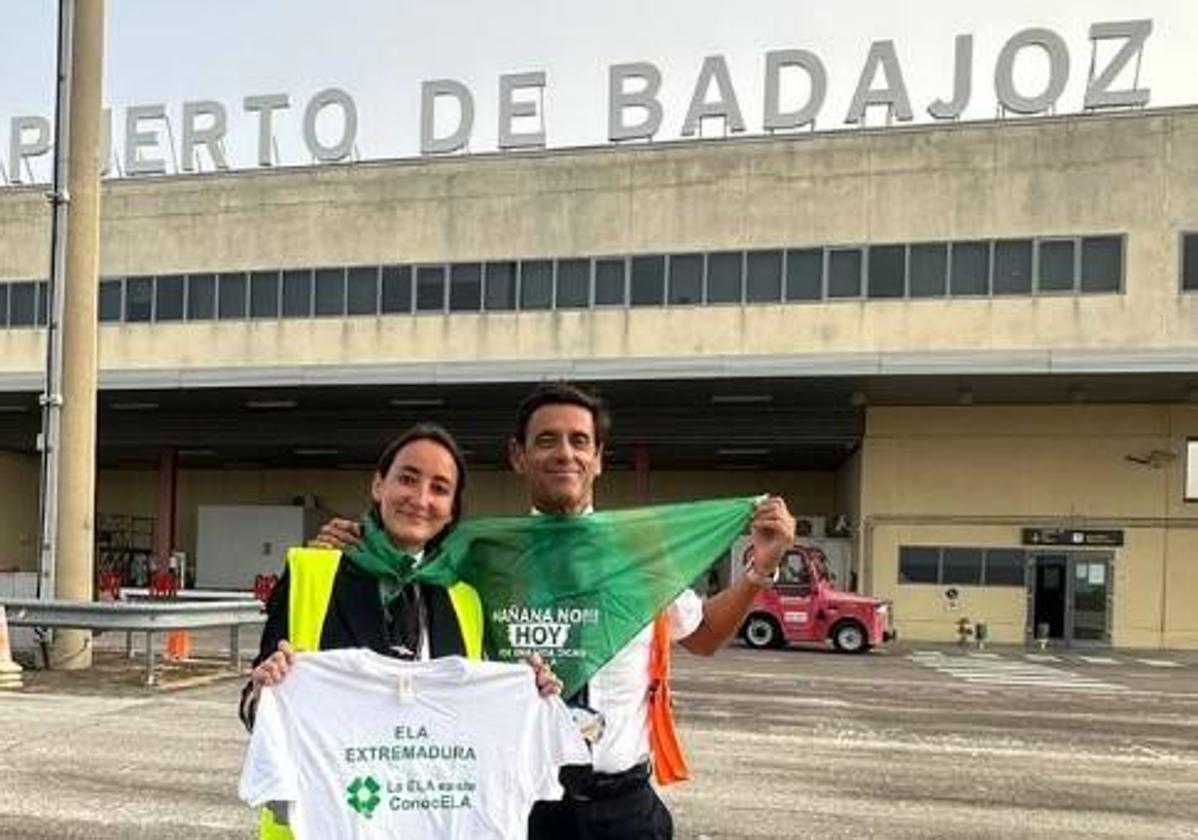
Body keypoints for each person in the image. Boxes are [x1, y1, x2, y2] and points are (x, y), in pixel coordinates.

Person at [315, 384, 795, 840]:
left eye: (579, 440)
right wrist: (356, 546)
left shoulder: (639, 554)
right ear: (518, 456)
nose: (565, 452)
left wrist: (760, 571)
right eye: (546, 440)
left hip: (623, 809)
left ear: (599, 458)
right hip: (519, 805)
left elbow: (705, 635)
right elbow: (407, 566)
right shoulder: (479, 555)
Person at [240, 423, 559, 838]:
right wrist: (264, 694)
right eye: (407, 478)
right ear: (379, 485)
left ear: (451, 510)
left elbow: (474, 726)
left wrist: (526, 695)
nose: (421, 499)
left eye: (440, 488)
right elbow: (254, 705)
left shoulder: (465, 599)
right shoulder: (311, 572)